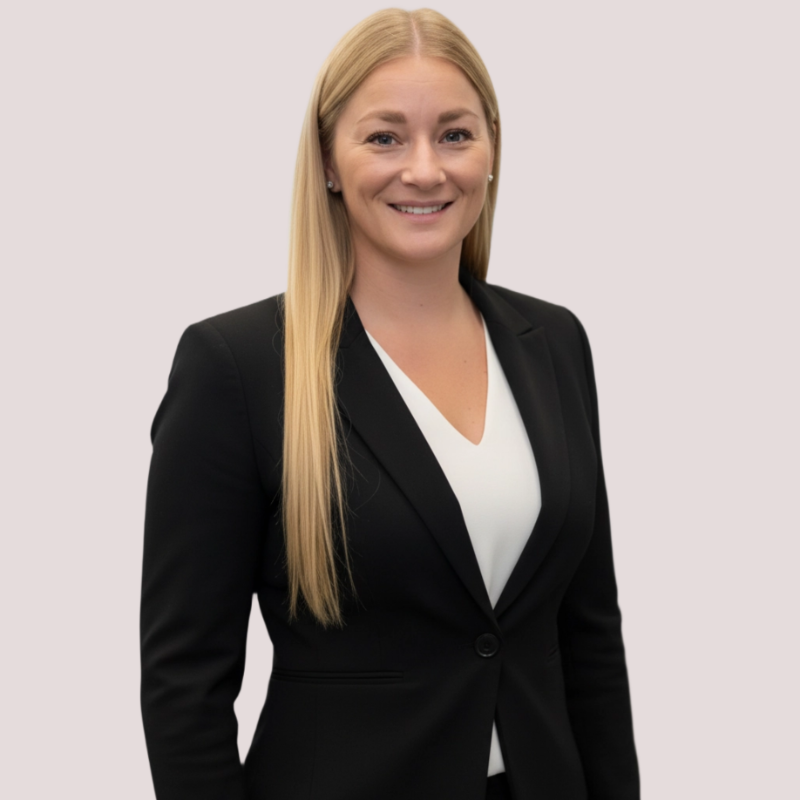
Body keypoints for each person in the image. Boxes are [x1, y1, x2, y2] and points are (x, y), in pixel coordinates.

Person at [139, 8, 641, 800]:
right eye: (384, 138)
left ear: (492, 150)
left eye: (454, 134)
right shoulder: (236, 368)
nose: (425, 169)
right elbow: (183, 687)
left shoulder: (554, 343)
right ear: (329, 162)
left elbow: (590, 637)